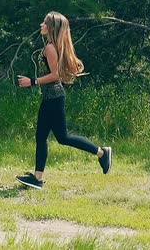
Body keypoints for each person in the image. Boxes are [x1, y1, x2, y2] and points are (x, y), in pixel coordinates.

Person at [16, 11, 112, 189]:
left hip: (54, 97)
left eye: (44, 23)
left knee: (63, 137)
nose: (41, 25)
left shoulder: (50, 48)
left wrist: (32, 82)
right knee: (41, 136)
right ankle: (37, 178)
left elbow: (55, 75)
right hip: (50, 97)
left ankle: (102, 152)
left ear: (51, 27)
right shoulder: (51, 46)